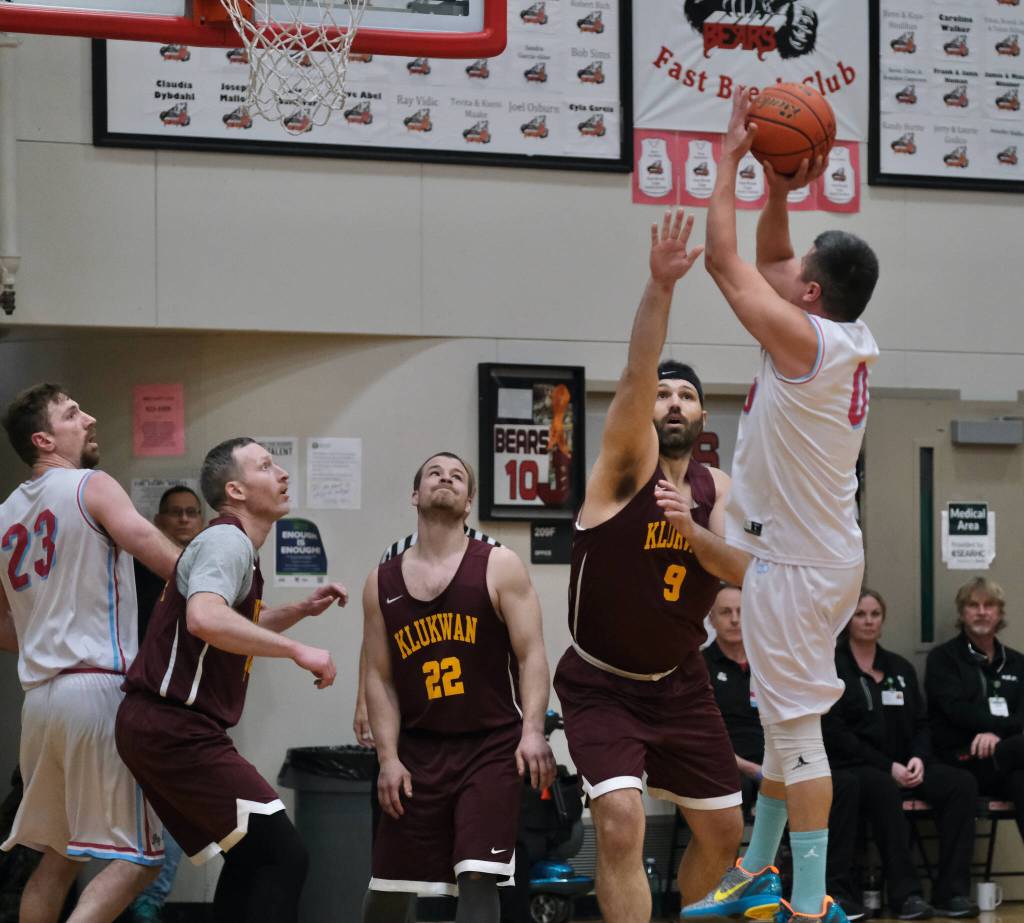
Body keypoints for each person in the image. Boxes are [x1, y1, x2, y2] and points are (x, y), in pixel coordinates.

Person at [675, 90, 880, 923]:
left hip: (797, 567)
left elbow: (727, 265)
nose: (786, 270)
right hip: (807, 556)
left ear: (814, 293)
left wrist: (729, 158)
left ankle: (807, 899)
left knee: (797, 735)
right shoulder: (835, 333)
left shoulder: (805, 341)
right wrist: (780, 187)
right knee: (780, 720)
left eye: (799, 272)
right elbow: (769, 259)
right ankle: (758, 868)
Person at [551, 209, 750, 923]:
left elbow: (744, 570)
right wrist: (660, 287)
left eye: (686, 395)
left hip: (680, 681)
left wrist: (691, 530)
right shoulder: (622, 470)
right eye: (664, 394)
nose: (672, 401)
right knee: (620, 823)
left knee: (725, 833)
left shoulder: (718, 490)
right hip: (601, 682)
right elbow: (638, 370)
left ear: (702, 420)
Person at [115, 437, 347, 922]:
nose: (282, 474)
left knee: (253, 855)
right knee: (282, 856)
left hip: (166, 726)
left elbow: (231, 625)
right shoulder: (227, 540)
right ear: (236, 491)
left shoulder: (234, 545)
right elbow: (205, 618)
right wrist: (297, 651)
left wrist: (299, 612)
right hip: (172, 726)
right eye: (266, 466)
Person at [0, 382, 181, 922]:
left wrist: (47, 637)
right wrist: (224, 591)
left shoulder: (4, 515)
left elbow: (3, 626)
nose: (89, 418)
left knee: (58, 860)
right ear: (43, 439)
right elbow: (158, 554)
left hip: (40, 703)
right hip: (97, 691)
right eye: (73, 413)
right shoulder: (91, 485)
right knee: (142, 859)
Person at [361, 451, 555, 923]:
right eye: (434, 473)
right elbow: (379, 675)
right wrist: (388, 759)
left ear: (469, 502)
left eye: (456, 476)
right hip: (418, 748)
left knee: (478, 873)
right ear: (415, 494)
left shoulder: (500, 565)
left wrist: (533, 731)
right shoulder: (380, 581)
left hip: (489, 745)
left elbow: (531, 655)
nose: (445, 478)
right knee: (390, 885)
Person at [703, 583, 864, 920]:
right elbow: (702, 734)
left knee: (842, 783)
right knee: (750, 782)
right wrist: (750, 767)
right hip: (731, 764)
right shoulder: (703, 665)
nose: (735, 619)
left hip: (780, 756)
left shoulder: (771, 654)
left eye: (741, 611)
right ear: (711, 619)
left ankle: (820, 893)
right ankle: (798, 898)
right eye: (726, 612)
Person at [825, 589, 979, 920]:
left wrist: (918, 758)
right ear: (847, 620)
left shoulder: (899, 667)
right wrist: (889, 767)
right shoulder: (833, 667)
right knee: (882, 786)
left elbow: (923, 723)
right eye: (860, 614)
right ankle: (905, 894)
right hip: (859, 765)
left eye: (875, 614)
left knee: (960, 784)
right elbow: (836, 733)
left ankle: (951, 892)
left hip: (908, 763)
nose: (868, 621)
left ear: (883, 619)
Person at [129, 486, 205, 923]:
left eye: (191, 512)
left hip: (190, 702)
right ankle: (139, 899)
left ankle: (149, 901)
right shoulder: (138, 568)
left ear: (202, 521)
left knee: (173, 809)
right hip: (137, 698)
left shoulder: (213, 568)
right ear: (159, 521)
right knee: (130, 808)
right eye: (175, 512)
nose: (183, 519)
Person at [926, 577, 1024, 843]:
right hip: (963, 760)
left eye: (989, 605)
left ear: (1000, 612)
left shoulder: (1017, 662)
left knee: (1021, 781)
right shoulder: (943, 658)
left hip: (1006, 760)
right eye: (973, 605)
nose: (982, 612)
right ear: (962, 612)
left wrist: (996, 735)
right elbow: (955, 709)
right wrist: (999, 730)